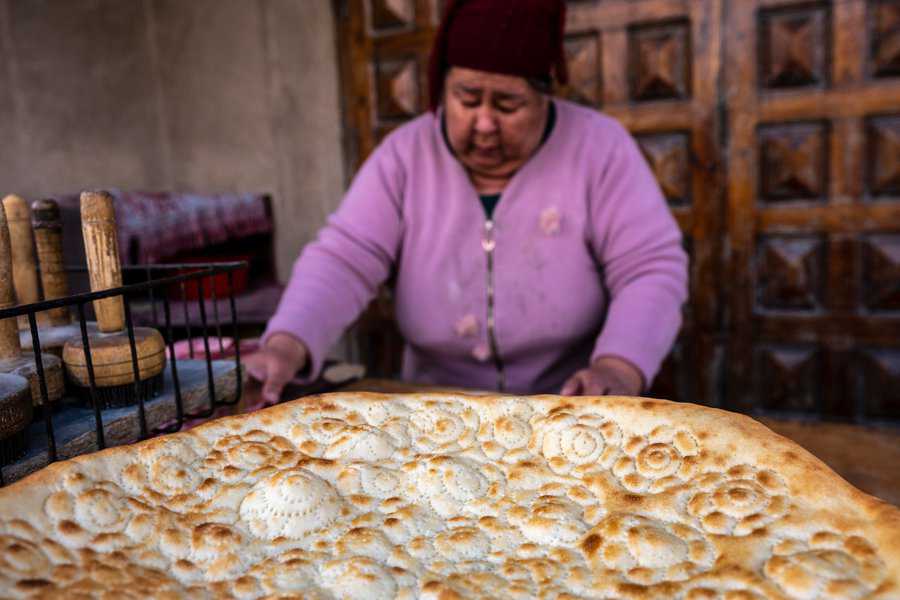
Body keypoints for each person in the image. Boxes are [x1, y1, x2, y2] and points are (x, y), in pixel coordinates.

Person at [245, 0, 688, 404]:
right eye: (467, 98)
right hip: (434, 403)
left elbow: (649, 268)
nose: (484, 123)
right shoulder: (405, 154)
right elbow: (345, 258)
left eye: (509, 104)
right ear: (442, 88)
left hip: (563, 406)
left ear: (545, 96)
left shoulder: (600, 148)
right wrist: (288, 342)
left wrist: (619, 365)